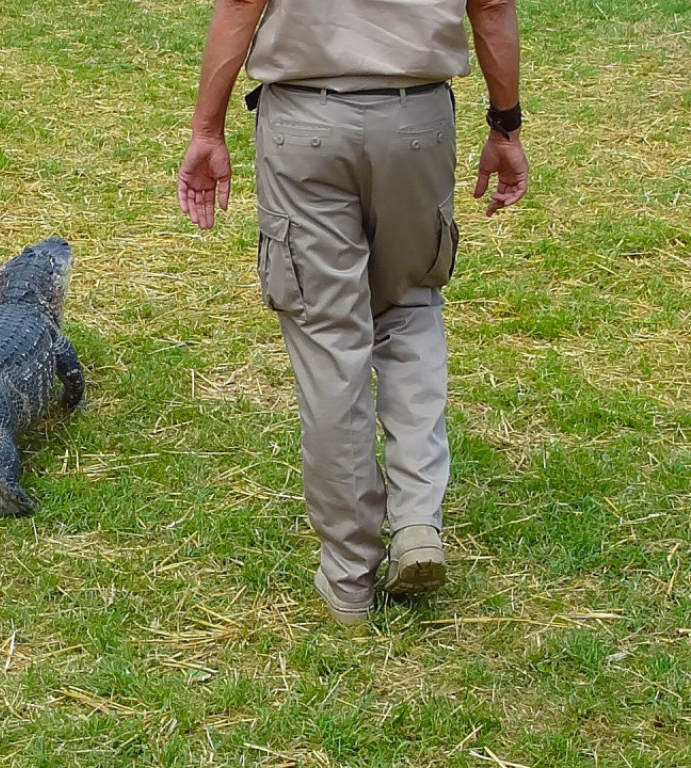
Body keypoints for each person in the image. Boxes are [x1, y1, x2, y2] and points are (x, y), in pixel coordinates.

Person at [177, 0, 529, 624]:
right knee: (412, 308)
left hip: (303, 121)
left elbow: (239, 5)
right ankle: (417, 519)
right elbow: (492, 7)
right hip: (417, 121)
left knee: (328, 338)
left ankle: (348, 576)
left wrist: (207, 129)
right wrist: (506, 126)